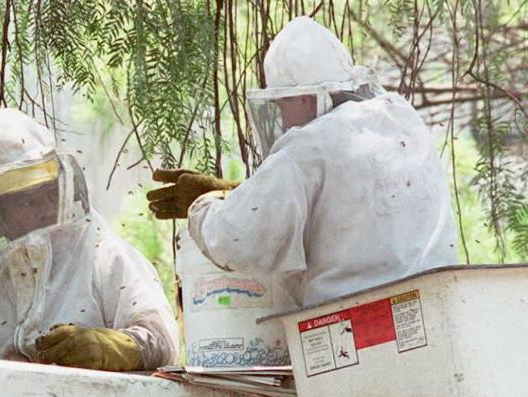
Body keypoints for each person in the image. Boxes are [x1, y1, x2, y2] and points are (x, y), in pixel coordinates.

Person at [148, 16, 457, 309]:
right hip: (437, 308)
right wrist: (239, 192)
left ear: (305, 98)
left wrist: (202, 206)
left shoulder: (307, 147)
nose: (282, 119)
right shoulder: (401, 118)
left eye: (283, 105)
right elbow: (343, 204)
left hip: (354, 325)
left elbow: (238, 240)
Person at [0, 108, 178, 371]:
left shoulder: (104, 256)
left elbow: (163, 340)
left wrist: (113, 347)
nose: (45, 207)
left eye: (49, 191)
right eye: (27, 200)